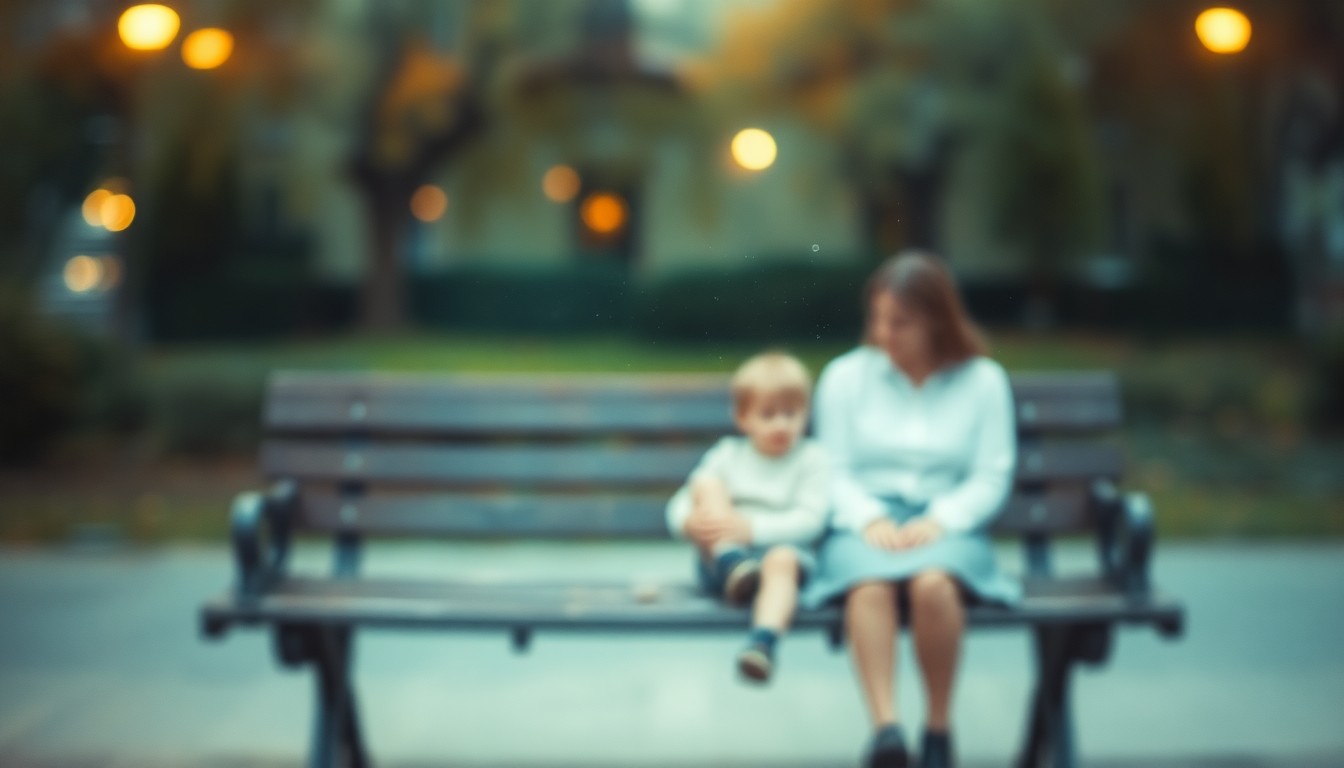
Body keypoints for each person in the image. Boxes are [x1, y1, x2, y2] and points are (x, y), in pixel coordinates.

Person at [801, 251, 1022, 768]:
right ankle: (887, 732)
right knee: (869, 587)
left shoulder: (983, 382)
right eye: (877, 320)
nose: (884, 335)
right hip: (867, 518)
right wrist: (867, 519)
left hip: (947, 519)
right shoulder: (846, 378)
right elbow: (831, 468)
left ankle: (939, 730)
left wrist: (941, 520)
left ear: (938, 322)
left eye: (900, 323)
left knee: (933, 585)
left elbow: (991, 474)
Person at [666, 351, 830, 684]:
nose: (781, 424)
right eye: (768, 414)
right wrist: (689, 523)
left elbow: (811, 520)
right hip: (720, 566)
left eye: (791, 413)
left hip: (782, 569)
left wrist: (751, 528)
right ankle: (734, 564)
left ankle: (762, 643)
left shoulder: (812, 458)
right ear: (743, 418)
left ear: (806, 414)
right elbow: (680, 503)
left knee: (781, 558)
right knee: (706, 484)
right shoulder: (728, 454)